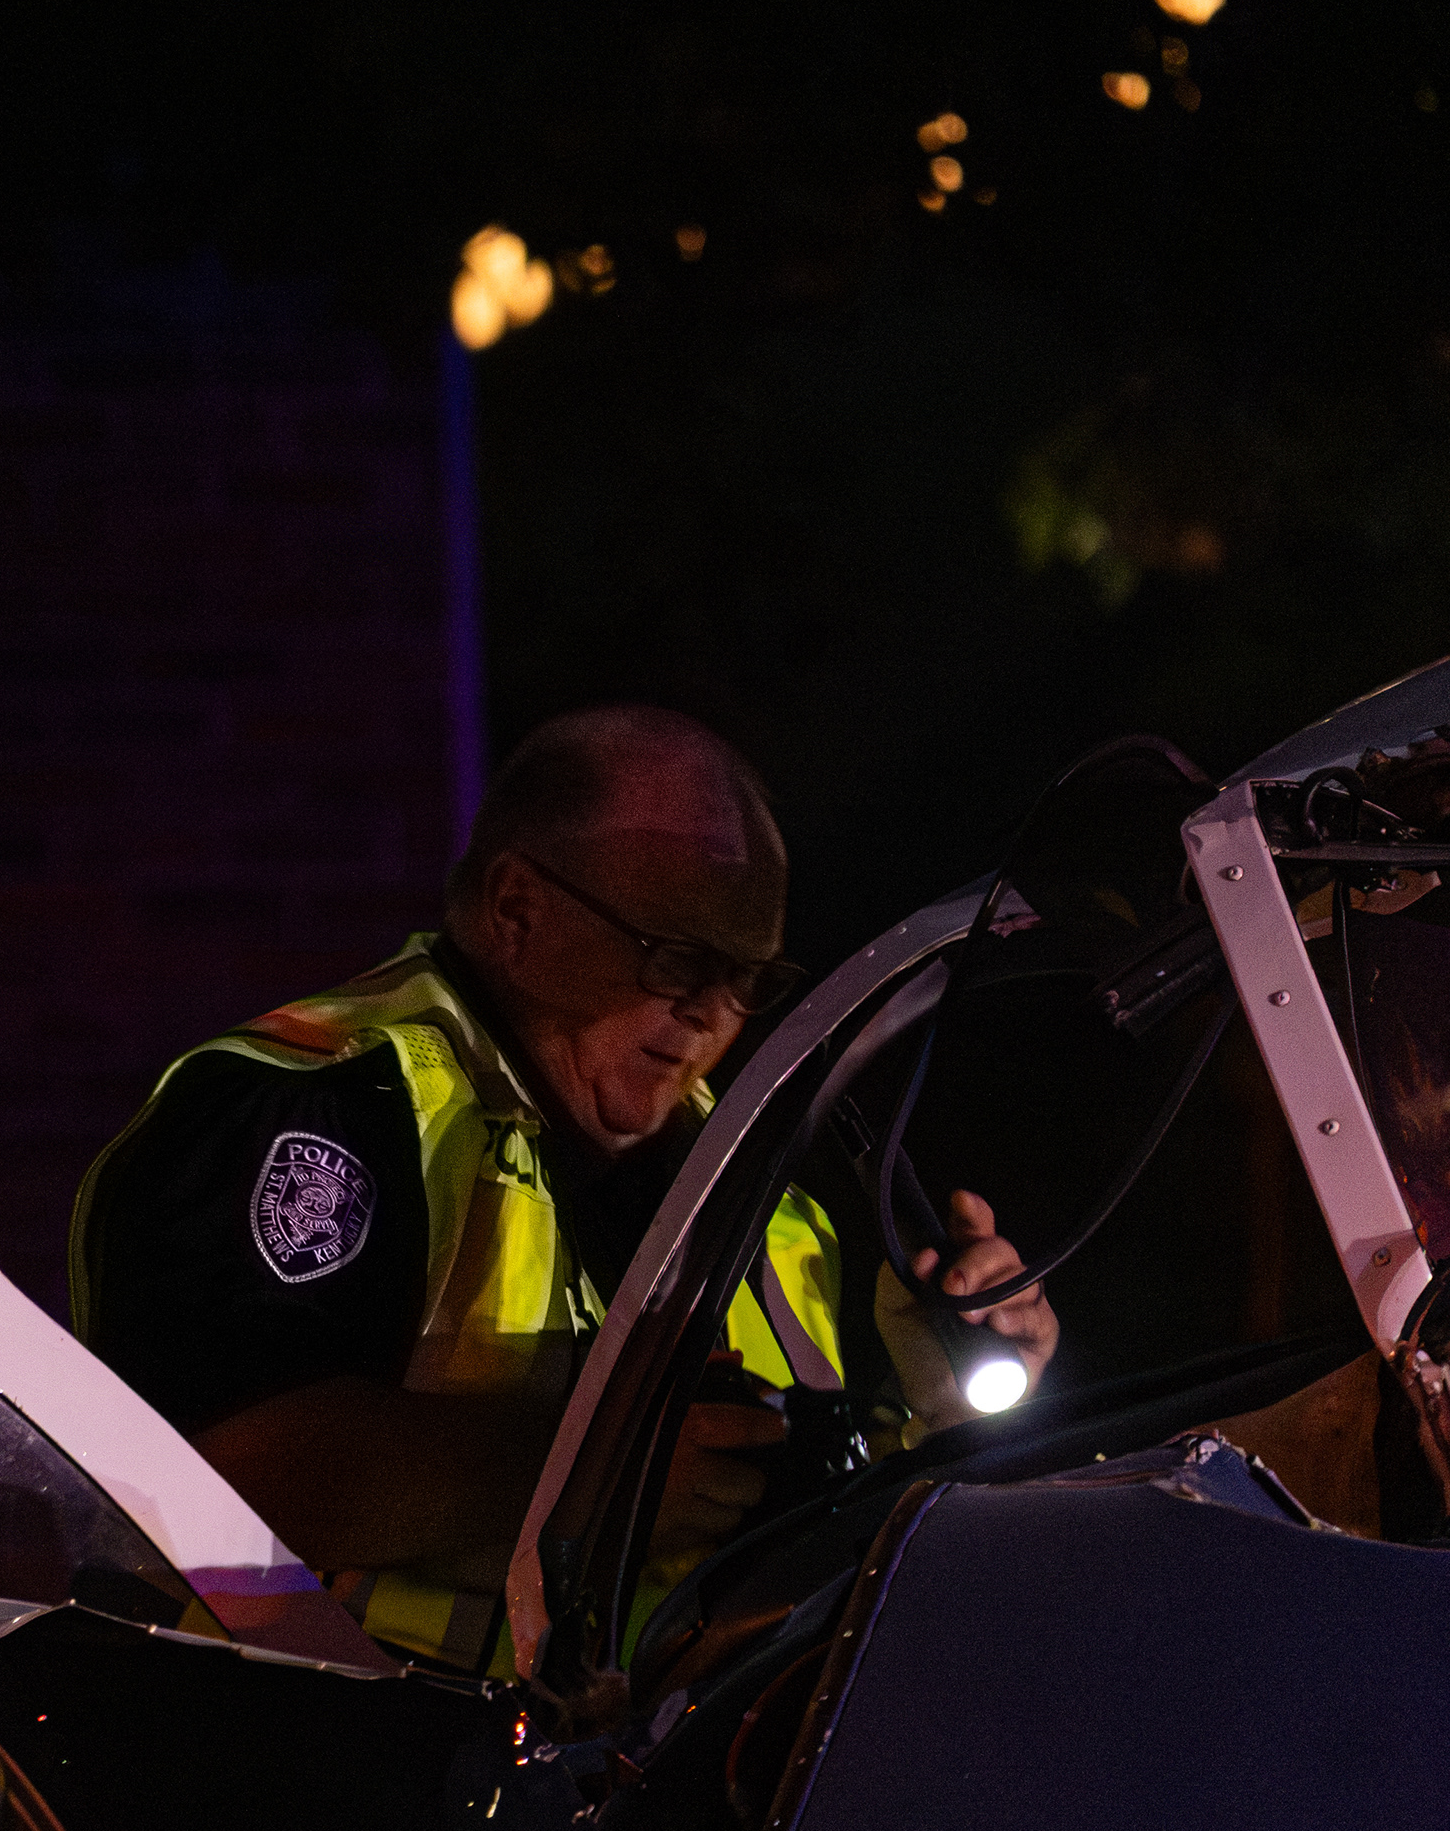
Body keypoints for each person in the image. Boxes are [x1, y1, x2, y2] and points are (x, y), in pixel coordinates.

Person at [68, 706, 1053, 1672]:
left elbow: (807, 1576)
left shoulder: (767, 1206)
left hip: (637, 1821)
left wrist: (934, 1419)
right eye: (675, 956)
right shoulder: (314, 1105)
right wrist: (595, 1470)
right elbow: (201, 1479)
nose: (711, 1012)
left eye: (747, 977)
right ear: (515, 910)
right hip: (323, 1806)